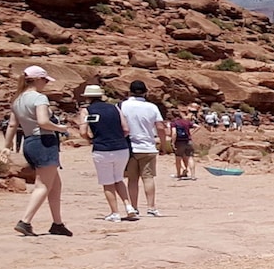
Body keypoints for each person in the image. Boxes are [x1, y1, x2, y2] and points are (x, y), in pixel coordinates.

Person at [2, 65, 72, 237]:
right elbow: (43, 121)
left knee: (55, 184)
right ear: (38, 80)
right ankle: (25, 222)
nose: (46, 84)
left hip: (29, 142)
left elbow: (12, 125)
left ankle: (57, 223)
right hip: (44, 141)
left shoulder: (17, 100)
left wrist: (7, 145)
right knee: (43, 185)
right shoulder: (39, 98)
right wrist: (60, 128)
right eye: (45, 80)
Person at [79, 85, 137, 222]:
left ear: (87, 97)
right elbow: (126, 129)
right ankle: (129, 206)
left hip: (102, 149)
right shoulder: (115, 107)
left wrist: (91, 139)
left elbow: (82, 131)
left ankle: (115, 212)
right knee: (118, 179)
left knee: (107, 182)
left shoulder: (86, 110)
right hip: (121, 148)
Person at [121, 80, 168, 217]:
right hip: (147, 146)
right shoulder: (152, 107)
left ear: (129, 91)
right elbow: (160, 127)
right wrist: (163, 145)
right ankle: (151, 207)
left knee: (132, 179)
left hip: (129, 147)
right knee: (148, 178)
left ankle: (134, 207)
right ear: (145, 92)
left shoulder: (122, 106)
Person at [169, 108, 197, 180]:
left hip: (179, 142)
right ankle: (193, 175)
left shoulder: (174, 123)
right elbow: (197, 126)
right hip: (188, 141)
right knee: (190, 157)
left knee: (178, 158)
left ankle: (178, 174)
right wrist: (191, 133)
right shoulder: (186, 122)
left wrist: (172, 142)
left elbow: (174, 133)